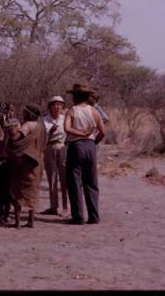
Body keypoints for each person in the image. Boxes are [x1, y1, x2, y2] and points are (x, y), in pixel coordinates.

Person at [64, 83, 105, 225]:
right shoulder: (95, 112)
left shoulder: (72, 110)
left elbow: (67, 128)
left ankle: (78, 217)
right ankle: (94, 216)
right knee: (91, 182)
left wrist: (80, 134)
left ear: (75, 96)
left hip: (76, 146)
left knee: (75, 182)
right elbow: (103, 132)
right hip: (90, 147)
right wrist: (93, 142)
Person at [7, 104, 46, 228]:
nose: (23, 114)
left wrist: (10, 129)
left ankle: (17, 222)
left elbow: (15, 138)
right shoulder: (42, 126)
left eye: (25, 112)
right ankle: (31, 221)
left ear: (29, 114)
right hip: (38, 161)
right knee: (33, 190)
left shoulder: (27, 125)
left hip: (24, 161)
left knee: (18, 188)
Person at [41, 95, 69, 218]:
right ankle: (53, 206)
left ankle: (65, 207)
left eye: (60, 104)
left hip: (62, 147)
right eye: (55, 104)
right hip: (49, 148)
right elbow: (41, 137)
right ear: (50, 106)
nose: (58, 107)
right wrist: (49, 133)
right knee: (51, 178)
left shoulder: (65, 119)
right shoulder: (44, 120)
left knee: (64, 178)